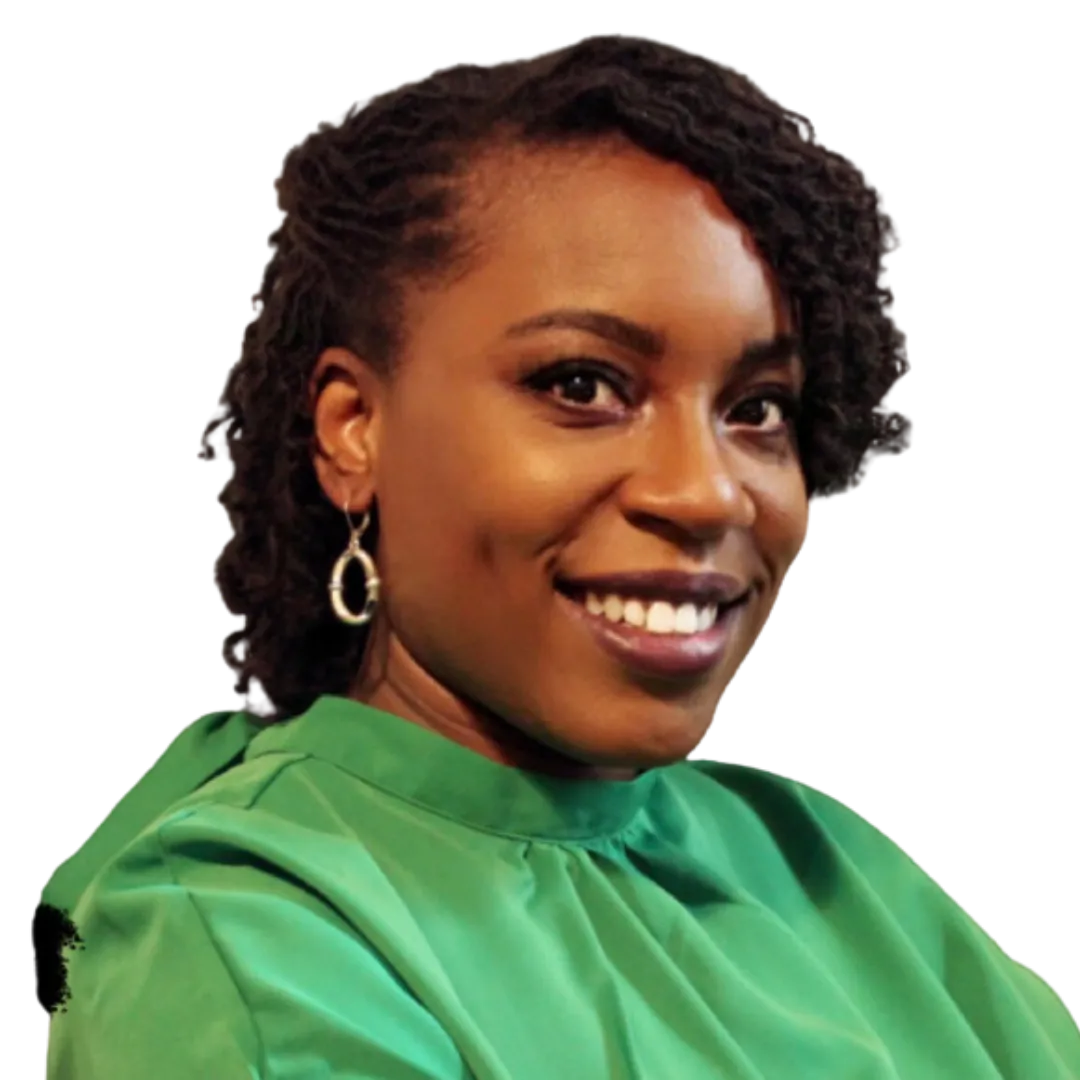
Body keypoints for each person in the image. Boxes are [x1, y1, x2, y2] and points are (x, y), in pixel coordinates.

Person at [39, 30, 1078, 1079]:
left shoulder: (820, 861)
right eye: (582, 386)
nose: (706, 491)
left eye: (758, 408)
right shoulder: (245, 938)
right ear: (354, 431)